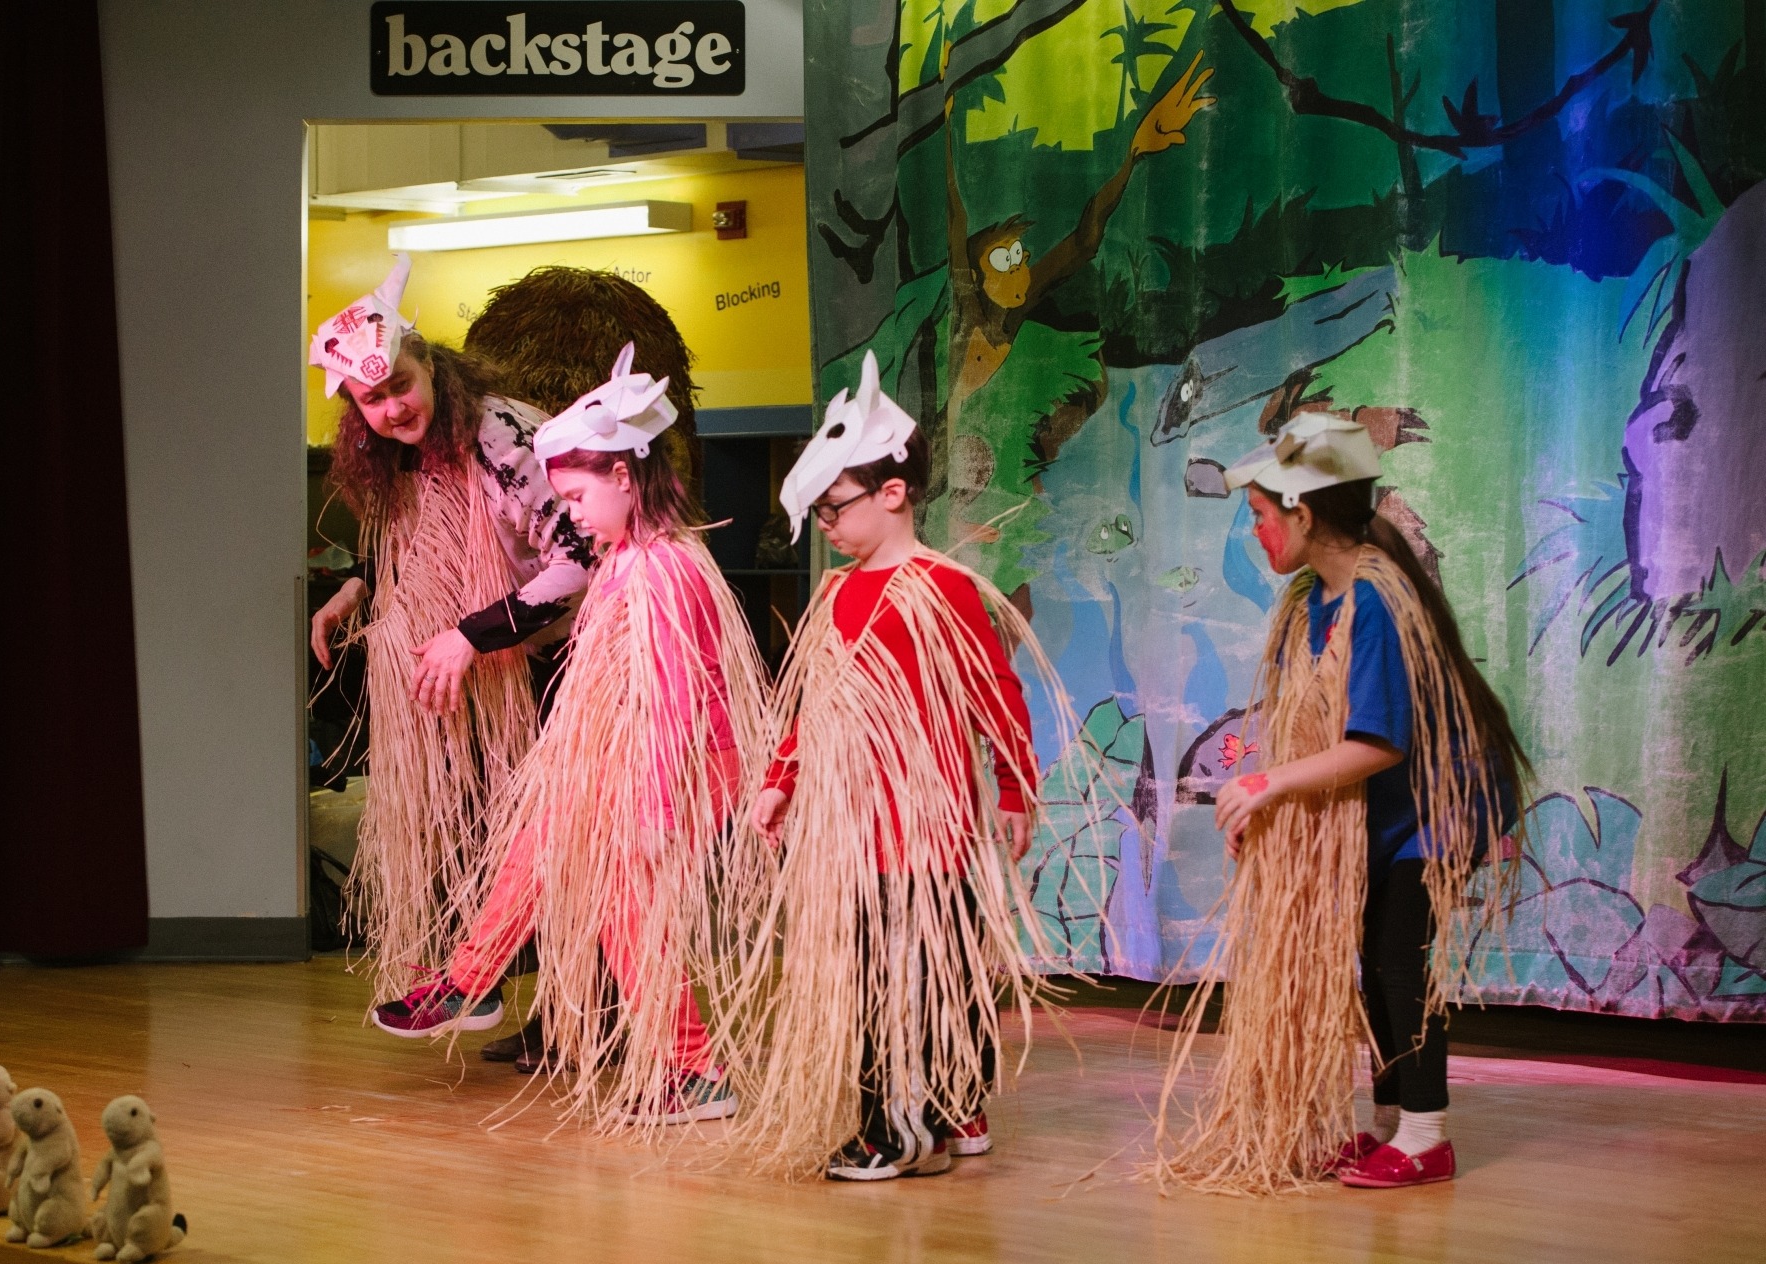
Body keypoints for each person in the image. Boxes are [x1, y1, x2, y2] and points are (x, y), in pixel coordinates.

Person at [371, 346, 772, 1129]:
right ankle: (470, 981)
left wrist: (654, 809)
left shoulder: (663, 572)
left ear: (625, 477)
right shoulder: (628, 557)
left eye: (580, 496)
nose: (573, 516)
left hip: (683, 764)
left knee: (626, 901)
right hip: (632, 755)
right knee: (540, 839)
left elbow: (673, 702)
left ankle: (695, 1069)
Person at [726, 352, 1088, 1182]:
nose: (826, 522)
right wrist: (781, 779)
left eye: (834, 506)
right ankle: (921, 1108)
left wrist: (1011, 788)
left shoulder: (944, 587)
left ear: (893, 494)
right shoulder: (832, 596)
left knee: (937, 971)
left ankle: (905, 1124)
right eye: (817, 509)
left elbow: (996, 692)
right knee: (870, 977)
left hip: (929, 829)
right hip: (854, 832)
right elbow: (811, 702)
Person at [1155, 413, 1526, 1194]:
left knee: (1398, 955)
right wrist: (1266, 806)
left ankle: (1427, 1131)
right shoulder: (1310, 602)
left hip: (1436, 804)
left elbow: (1380, 744)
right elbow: (1308, 727)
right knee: (1372, 952)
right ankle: (1394, 1123)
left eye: (1259, 515)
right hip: (1385, 811)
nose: (1255, 532)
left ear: (1304, 510)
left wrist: (1270, 785)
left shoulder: (1377, 599)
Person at [306, 255, 594, 1028]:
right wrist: (356, 586)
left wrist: (469, 637)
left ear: (430, 363)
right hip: (511, 663)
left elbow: (582, 557)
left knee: (564, 841)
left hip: (581, 655)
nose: (394, 406)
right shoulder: (408, 451)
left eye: (402, 384)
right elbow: (422, 539)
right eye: (375, 398)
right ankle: (524, 1001)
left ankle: (564, 1013)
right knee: (491, 824)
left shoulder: (499, 433)